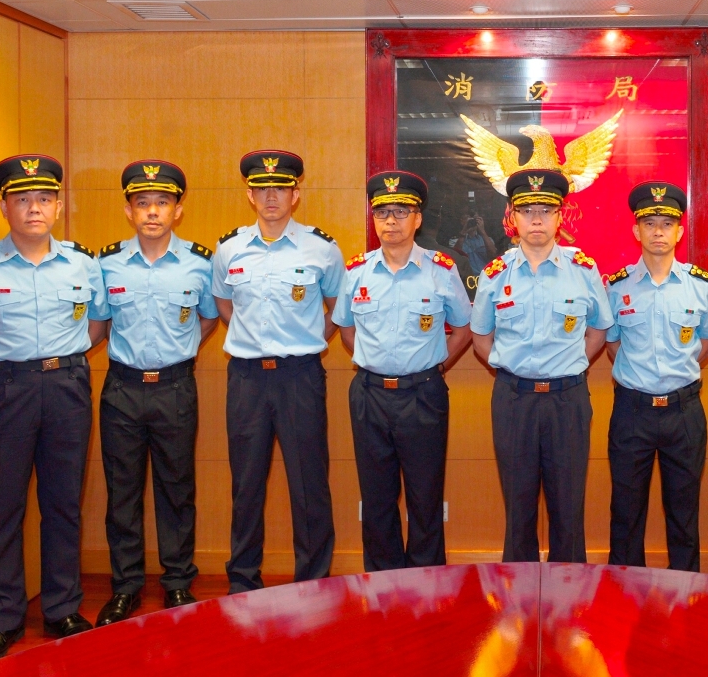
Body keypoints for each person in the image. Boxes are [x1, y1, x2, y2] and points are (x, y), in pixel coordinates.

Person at [0, 155, 106, 667]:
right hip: (5, 390)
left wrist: (58, 362)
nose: (34, 208)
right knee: (3, 509)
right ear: (4, 206)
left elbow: (95, 327)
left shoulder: (82, 262)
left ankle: (62, 610)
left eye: (44, 198)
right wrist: (0, 373)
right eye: (23, 199)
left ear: (58, 205)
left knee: (63, 504)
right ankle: (4, 619)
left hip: (67, 387)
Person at [211, 150, 344, 593]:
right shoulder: (229, 249)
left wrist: (305, 342)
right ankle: (243, 582)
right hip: (247, 378)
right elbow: (224, 305)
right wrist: (253, 341)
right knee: (246, 483)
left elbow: (336, 311)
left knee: (308, 482)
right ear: (250, 195)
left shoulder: (322, 248)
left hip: (300, 376)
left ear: (296, 194)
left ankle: (314, 581)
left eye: (281, 188)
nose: (271, 196)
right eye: (262, 188)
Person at [94, 160, 218, 626]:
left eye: (162, 203)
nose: (152, 212)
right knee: (122, 492)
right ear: (129, 211)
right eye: (142, 203)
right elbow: (99, 324)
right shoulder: (104, 263)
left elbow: (209, 318)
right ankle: (124, 587)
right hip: (122, 389)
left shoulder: (199, 264)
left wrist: (179, 352)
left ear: (178, 210)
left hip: (174, 387)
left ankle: (178, 582)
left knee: (176, 487)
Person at [470, 168, 613, 562]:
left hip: (567, 400)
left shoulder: (583, 271)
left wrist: (571, 366)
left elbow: (599, 330)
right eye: (527, 210)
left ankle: (569, 601)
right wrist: (510, 370)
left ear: (560, 217)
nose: (536, 219)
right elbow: (481, 338)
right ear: (511, 217)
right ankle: (517, 599)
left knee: (568, 505)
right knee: (518, 506)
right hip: (513, 399)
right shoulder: (495, 275)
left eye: (546, 210)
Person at [332, 170, 473, 571]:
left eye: (400, 212)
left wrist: (435, 366)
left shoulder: (441, 270)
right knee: (376, 496)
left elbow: (464, 327)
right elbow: (345, 327)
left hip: (422, 395)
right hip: (369, 395)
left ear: (418, 219)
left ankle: (427, 581)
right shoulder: (357, 271)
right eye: (382, 213)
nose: (390, 222)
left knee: (425, 495)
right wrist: (368, 358)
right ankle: (383, 582)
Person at [604, 181, 708, 571]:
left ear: (680, 231)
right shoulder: (616, 286)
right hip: (632, 411)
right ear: (636, 230)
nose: (658, 231)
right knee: (626, 512)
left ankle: (686, 595)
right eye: (650, 223)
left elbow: (705, 347)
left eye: (667, 223)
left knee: (684, 514)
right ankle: (624, 592)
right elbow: (612, 345)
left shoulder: (701, 286)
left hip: (683, 412)